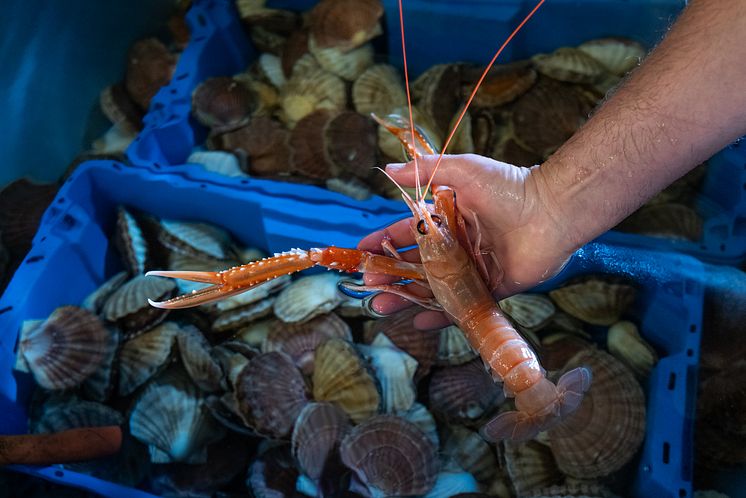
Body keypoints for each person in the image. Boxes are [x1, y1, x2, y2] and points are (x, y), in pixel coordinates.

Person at [359, 0, 746, 330]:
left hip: (487, 323)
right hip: (494, 325)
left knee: (381, 273)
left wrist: (550, 203)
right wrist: (549, 202)